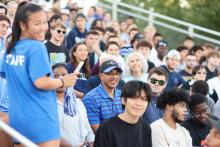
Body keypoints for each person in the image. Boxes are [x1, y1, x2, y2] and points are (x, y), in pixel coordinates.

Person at [0, 2, 78, 146]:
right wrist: (63, 81)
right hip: (41, 119)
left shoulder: (11, 49)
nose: (43, 27)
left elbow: (6, 76)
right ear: (23, 25)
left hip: (18, 121)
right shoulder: (37, 47)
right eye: (37, 23)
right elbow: (40, 82)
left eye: (45, 22)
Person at [94, 80, 152, 147]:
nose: (138, 103)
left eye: (143, 99)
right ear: (123, 100)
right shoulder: (107, 128)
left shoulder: (146, 127)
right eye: (134, 98)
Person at [52, 63, 94, 147]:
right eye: (56, 76)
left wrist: (92, 141)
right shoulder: (48, 106)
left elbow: (87, 128)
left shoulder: (78, 103)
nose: (61, 78)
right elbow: (49, 134)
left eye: (64, 75)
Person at [83, 60, 123, 133]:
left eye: (117, 74)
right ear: (101, 76)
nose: (114, 77)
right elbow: (97, 131)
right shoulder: (91, 98)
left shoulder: (122, 95)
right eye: (109, 74)